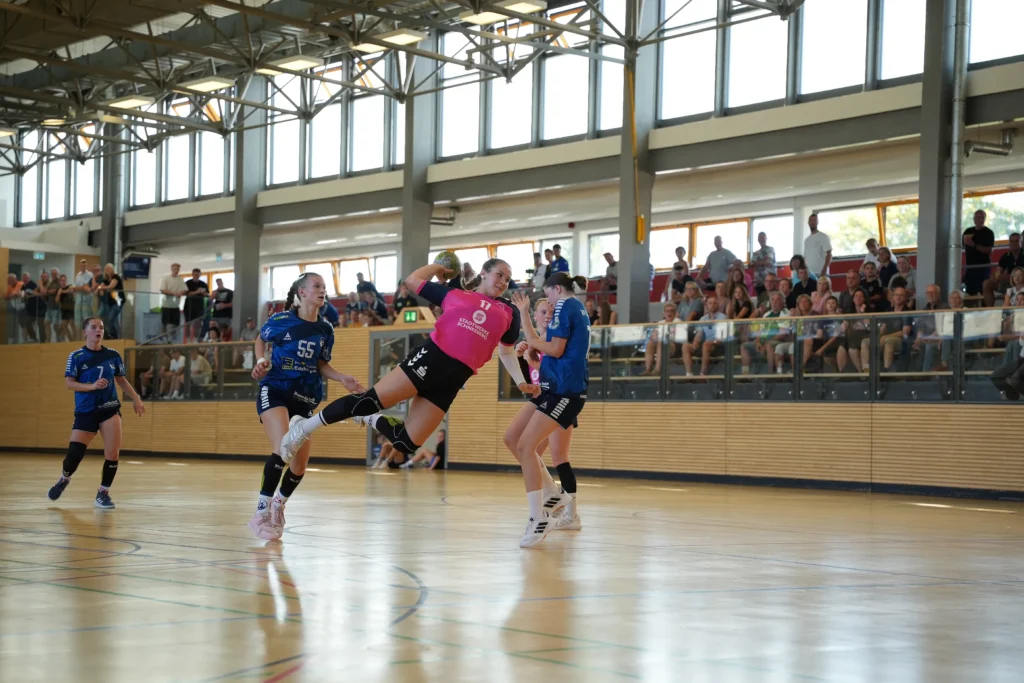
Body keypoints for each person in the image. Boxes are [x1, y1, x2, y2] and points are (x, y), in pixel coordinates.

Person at [279, 259, 544, 521]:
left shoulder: (509, 313)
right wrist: (437, 268)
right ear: (484, 273)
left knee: (406, 443)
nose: (503, 282)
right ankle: (304, 427)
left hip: (453, 380)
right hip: (430, 360)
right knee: (367, 401)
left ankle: (371, 419)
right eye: (499, 274)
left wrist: (520, 381)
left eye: (507, 278)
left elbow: (506, 352)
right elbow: (412, 280)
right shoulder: (455, 294)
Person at [248, 272, 364, 541]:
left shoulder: (326, 329)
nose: (322, 290)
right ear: (302, 292)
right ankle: (261, 512)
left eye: (324, 287)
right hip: (276, 389)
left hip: (305, 398)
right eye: (317, 286)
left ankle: (278, 505)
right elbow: (260, 338)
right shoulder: (281, 321)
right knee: (283, 447)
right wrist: (261, 360)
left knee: (300, 465)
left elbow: (320, 363)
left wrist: (342, 378)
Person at [508, 273, 589, 547]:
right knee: (514, 440)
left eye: (549, 301)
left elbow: (555, 350)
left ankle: (547, 513)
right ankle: (553, 495)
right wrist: (531, 353)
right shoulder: (571, 309)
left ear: (556, 290)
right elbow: (548, 357)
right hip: (550, 390)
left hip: (564, 392)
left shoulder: (566, 306)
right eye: (543, 310)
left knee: (548, 453)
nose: (549, 307)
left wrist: (530, 336)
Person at [47, 317, 145, 509]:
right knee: (74, 455)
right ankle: (64, 478)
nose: (98, 330)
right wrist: (91, 386)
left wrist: (136, 398)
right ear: (85, 332)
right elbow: (69, 383)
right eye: (93, 327)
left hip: (109, 408)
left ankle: (103, 493)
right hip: (86, 411)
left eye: (101, 327)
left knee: (113, 453)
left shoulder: (113, 355)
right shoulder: (76, 356)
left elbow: (121, 380)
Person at [962, 209, 995, 296]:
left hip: (983, 267)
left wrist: (974, 245)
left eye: (982, 217)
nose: (980, 219)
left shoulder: (988, 233)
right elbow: (962, 246)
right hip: (970, 267)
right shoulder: (968, 231)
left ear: (985, 219)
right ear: (974, 219)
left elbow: (989, 250)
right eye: (978, 217)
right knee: (970, 292)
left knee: (984, 290)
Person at [159, 263, 187, 338]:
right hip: (166, 305)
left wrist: (181, 293)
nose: (176, 270)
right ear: (171, 269)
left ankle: (172, 339)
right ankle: (165, 339)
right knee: (166, 323)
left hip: (176, 305)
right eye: (175, 269)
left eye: (177, 269)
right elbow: (163, 290)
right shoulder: (166, 278)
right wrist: (174, 293)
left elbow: (185, 290)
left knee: (175, 324)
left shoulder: (180, 279)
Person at [182, 268, 208, 343]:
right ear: (192, 274)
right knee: (188, 323)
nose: (196, 276)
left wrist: (203, 293)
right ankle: (188, 340)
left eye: (198, 274)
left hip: (199, 307)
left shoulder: (203, 284)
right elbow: (186, 293)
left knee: (198, 324)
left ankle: (195, 339)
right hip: (189, 306)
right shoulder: (188, 283)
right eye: (195, 274)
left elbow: (207, 294)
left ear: (200, 275)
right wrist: (197, 291)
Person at [803, 213, 832, 278]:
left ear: (817, 222)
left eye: (814, 220)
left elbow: (829, 254)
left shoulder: (823, 237)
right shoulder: (807, 240)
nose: (812, 222)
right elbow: (805, 258)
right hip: (809, 274)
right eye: (811, 220)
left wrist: (824, 269)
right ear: (808, 222)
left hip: (821, 273)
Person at [73, 259, 94, 338]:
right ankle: (78, 340)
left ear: (86, 265)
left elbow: (85, 287)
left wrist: (79, 288)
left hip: (86, 300)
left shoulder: (90, 275)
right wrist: (80, 288)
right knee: (78, 321)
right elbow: (75, 288)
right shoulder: (78, 275)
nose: (83, 266)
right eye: (82, 265)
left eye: (84, 265)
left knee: (86, 320)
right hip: (78, 300)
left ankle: (87, 339)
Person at [56, 273, 76, 341]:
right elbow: (57, 300)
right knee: (64, 326)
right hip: (64, 310)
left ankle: (74, 341)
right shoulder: (59, 290)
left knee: (72, 325)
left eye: (64, 280)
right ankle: (71, 340)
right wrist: (58, 294)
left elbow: (70, 290)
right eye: (62, 280)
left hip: (72, 309)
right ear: (59, 281)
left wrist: (62, 291)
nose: (63, 282)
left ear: (66, 281)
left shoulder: (70, 286)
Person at [44, 268, 61, 342]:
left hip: (57, 307)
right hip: (49, 306)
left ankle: (59, 340)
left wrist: (47, 291)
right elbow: (45, 291)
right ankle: (48, 340)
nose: (53, 275)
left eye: (55, 274)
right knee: (46, 323)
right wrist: (47, 291)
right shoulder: (50, 283)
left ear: (58, 274)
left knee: (55, 326)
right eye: (52, 274)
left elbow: (54, 291)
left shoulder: (59, 282)